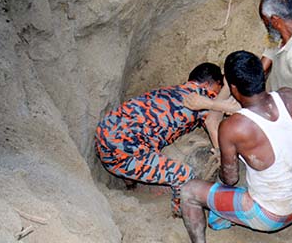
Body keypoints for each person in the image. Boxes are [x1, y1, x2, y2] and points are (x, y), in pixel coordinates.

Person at [180, 50, 292, 243]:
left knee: (189, 191)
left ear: (233, 89)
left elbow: (230, 179)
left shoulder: (233, 127)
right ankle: (223, 216)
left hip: (271, 216)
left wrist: (223, 155)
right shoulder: (290, 96)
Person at [95, 62, 227, 216]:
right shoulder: (203, 96)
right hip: (121, 152)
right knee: (184, 175)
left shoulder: (172, 91)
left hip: (105, 134)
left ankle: (130, 182)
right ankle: (179, 211)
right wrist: (221, 154)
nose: (218, 93)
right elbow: (213, 123)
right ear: (207, 84)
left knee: (142, 139)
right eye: (219, 87)